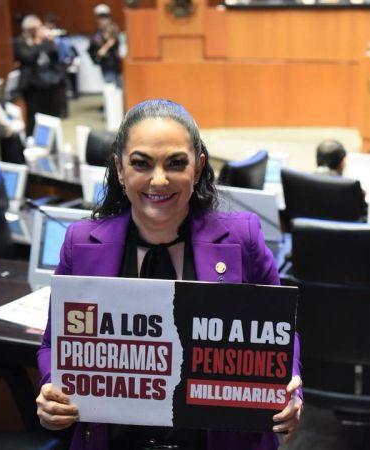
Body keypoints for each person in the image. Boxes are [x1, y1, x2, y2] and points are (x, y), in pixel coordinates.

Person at [35, 99, 303, 450]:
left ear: (197, 167)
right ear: (119, 169)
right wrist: (52, 387)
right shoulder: (81, 243)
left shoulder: (242, 237)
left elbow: (280, 332)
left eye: (176, 163)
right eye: (141, 164)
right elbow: (53, 344)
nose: (158, 180)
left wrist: (291, 383)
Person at [14, 14, 64, 135]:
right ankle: (33, 141)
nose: (41, 30)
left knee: (51, 116)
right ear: (29, 29)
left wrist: (52, 43)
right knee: (34, 117)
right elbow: (28, 57)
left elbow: (55, 58)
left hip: (49, 83)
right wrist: (38, 42)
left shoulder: (45, 41)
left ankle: (52, 141)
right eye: (37, 28)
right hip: (32, 86)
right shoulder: (20, 42)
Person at [89, 4, 122, 88]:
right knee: (109, 86)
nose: (102, 20)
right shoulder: (98, 33)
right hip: (106, 64)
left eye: (105, 17)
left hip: (116, 63)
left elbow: (114, 41)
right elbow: (94, 47)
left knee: (117, 88)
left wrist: (106, 45)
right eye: (100, 17)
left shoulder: (113, 28)